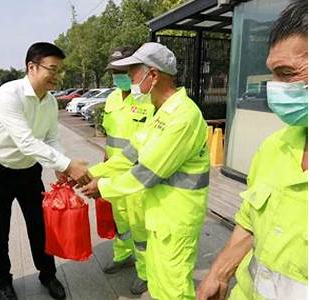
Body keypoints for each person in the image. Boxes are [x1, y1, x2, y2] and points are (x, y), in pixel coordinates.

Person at [81, 42, 210, 299]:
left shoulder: (182, 116)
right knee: (160, 285)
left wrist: (103, 187)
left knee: (174, 290)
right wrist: (92, 172)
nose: (129, 80)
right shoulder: (161, 112)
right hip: (161, 215)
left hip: (176, 219)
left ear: (153, 75)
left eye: (132, 74)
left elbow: (147, 172)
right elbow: (132, 153)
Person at [197, 1, 308, 299]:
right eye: (273, 73)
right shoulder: (275, 147)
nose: (274, 88)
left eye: (287, 73)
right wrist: (220, 272)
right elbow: (250, 218)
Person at [0, 42, 88, 300]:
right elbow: (26, 141)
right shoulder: (9, 94)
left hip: (29, 172)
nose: (56, 76)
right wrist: (67, 164)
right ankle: (3, 282)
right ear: (31, 66)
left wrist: (59, 165)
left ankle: (47, 274)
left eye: (59, 70)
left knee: (40, 226)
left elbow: (51, 138)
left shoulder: (50, 102)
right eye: (52, 69)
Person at [87, 46, 155, 295]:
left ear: (135, 70)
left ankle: (146, 272)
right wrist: (103, 165)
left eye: (122, 70)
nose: (117, 75)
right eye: (114, 71)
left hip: (137, 175)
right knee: (121, 221)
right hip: (113, 172)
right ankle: (122, 255)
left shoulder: (149, 98)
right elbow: (110, 137)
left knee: (139, 225)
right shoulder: (113, 98)